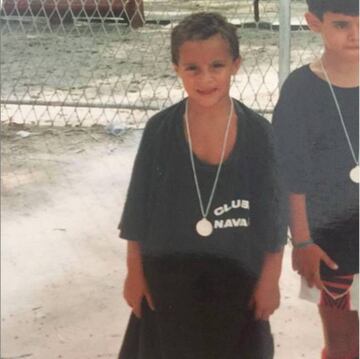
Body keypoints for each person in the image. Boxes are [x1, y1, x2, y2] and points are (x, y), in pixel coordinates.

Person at [118, 12, 286, 359]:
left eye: (217, 66)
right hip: (168, 281)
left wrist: (271, 279)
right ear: (176, 68)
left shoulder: (259, 135)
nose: (205, 78)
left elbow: (273, 218)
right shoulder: (160, 131)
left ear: (236, 65)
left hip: (237, 280)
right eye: (192, 68)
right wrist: (134, 273)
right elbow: (138, 209)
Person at [272, 1, 359, 358]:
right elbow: (292, 175)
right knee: (342, 346)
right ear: (313, 23)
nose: (356, 34)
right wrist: (303, 242)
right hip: (332, 245)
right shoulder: (300, 90)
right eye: (341, 25)